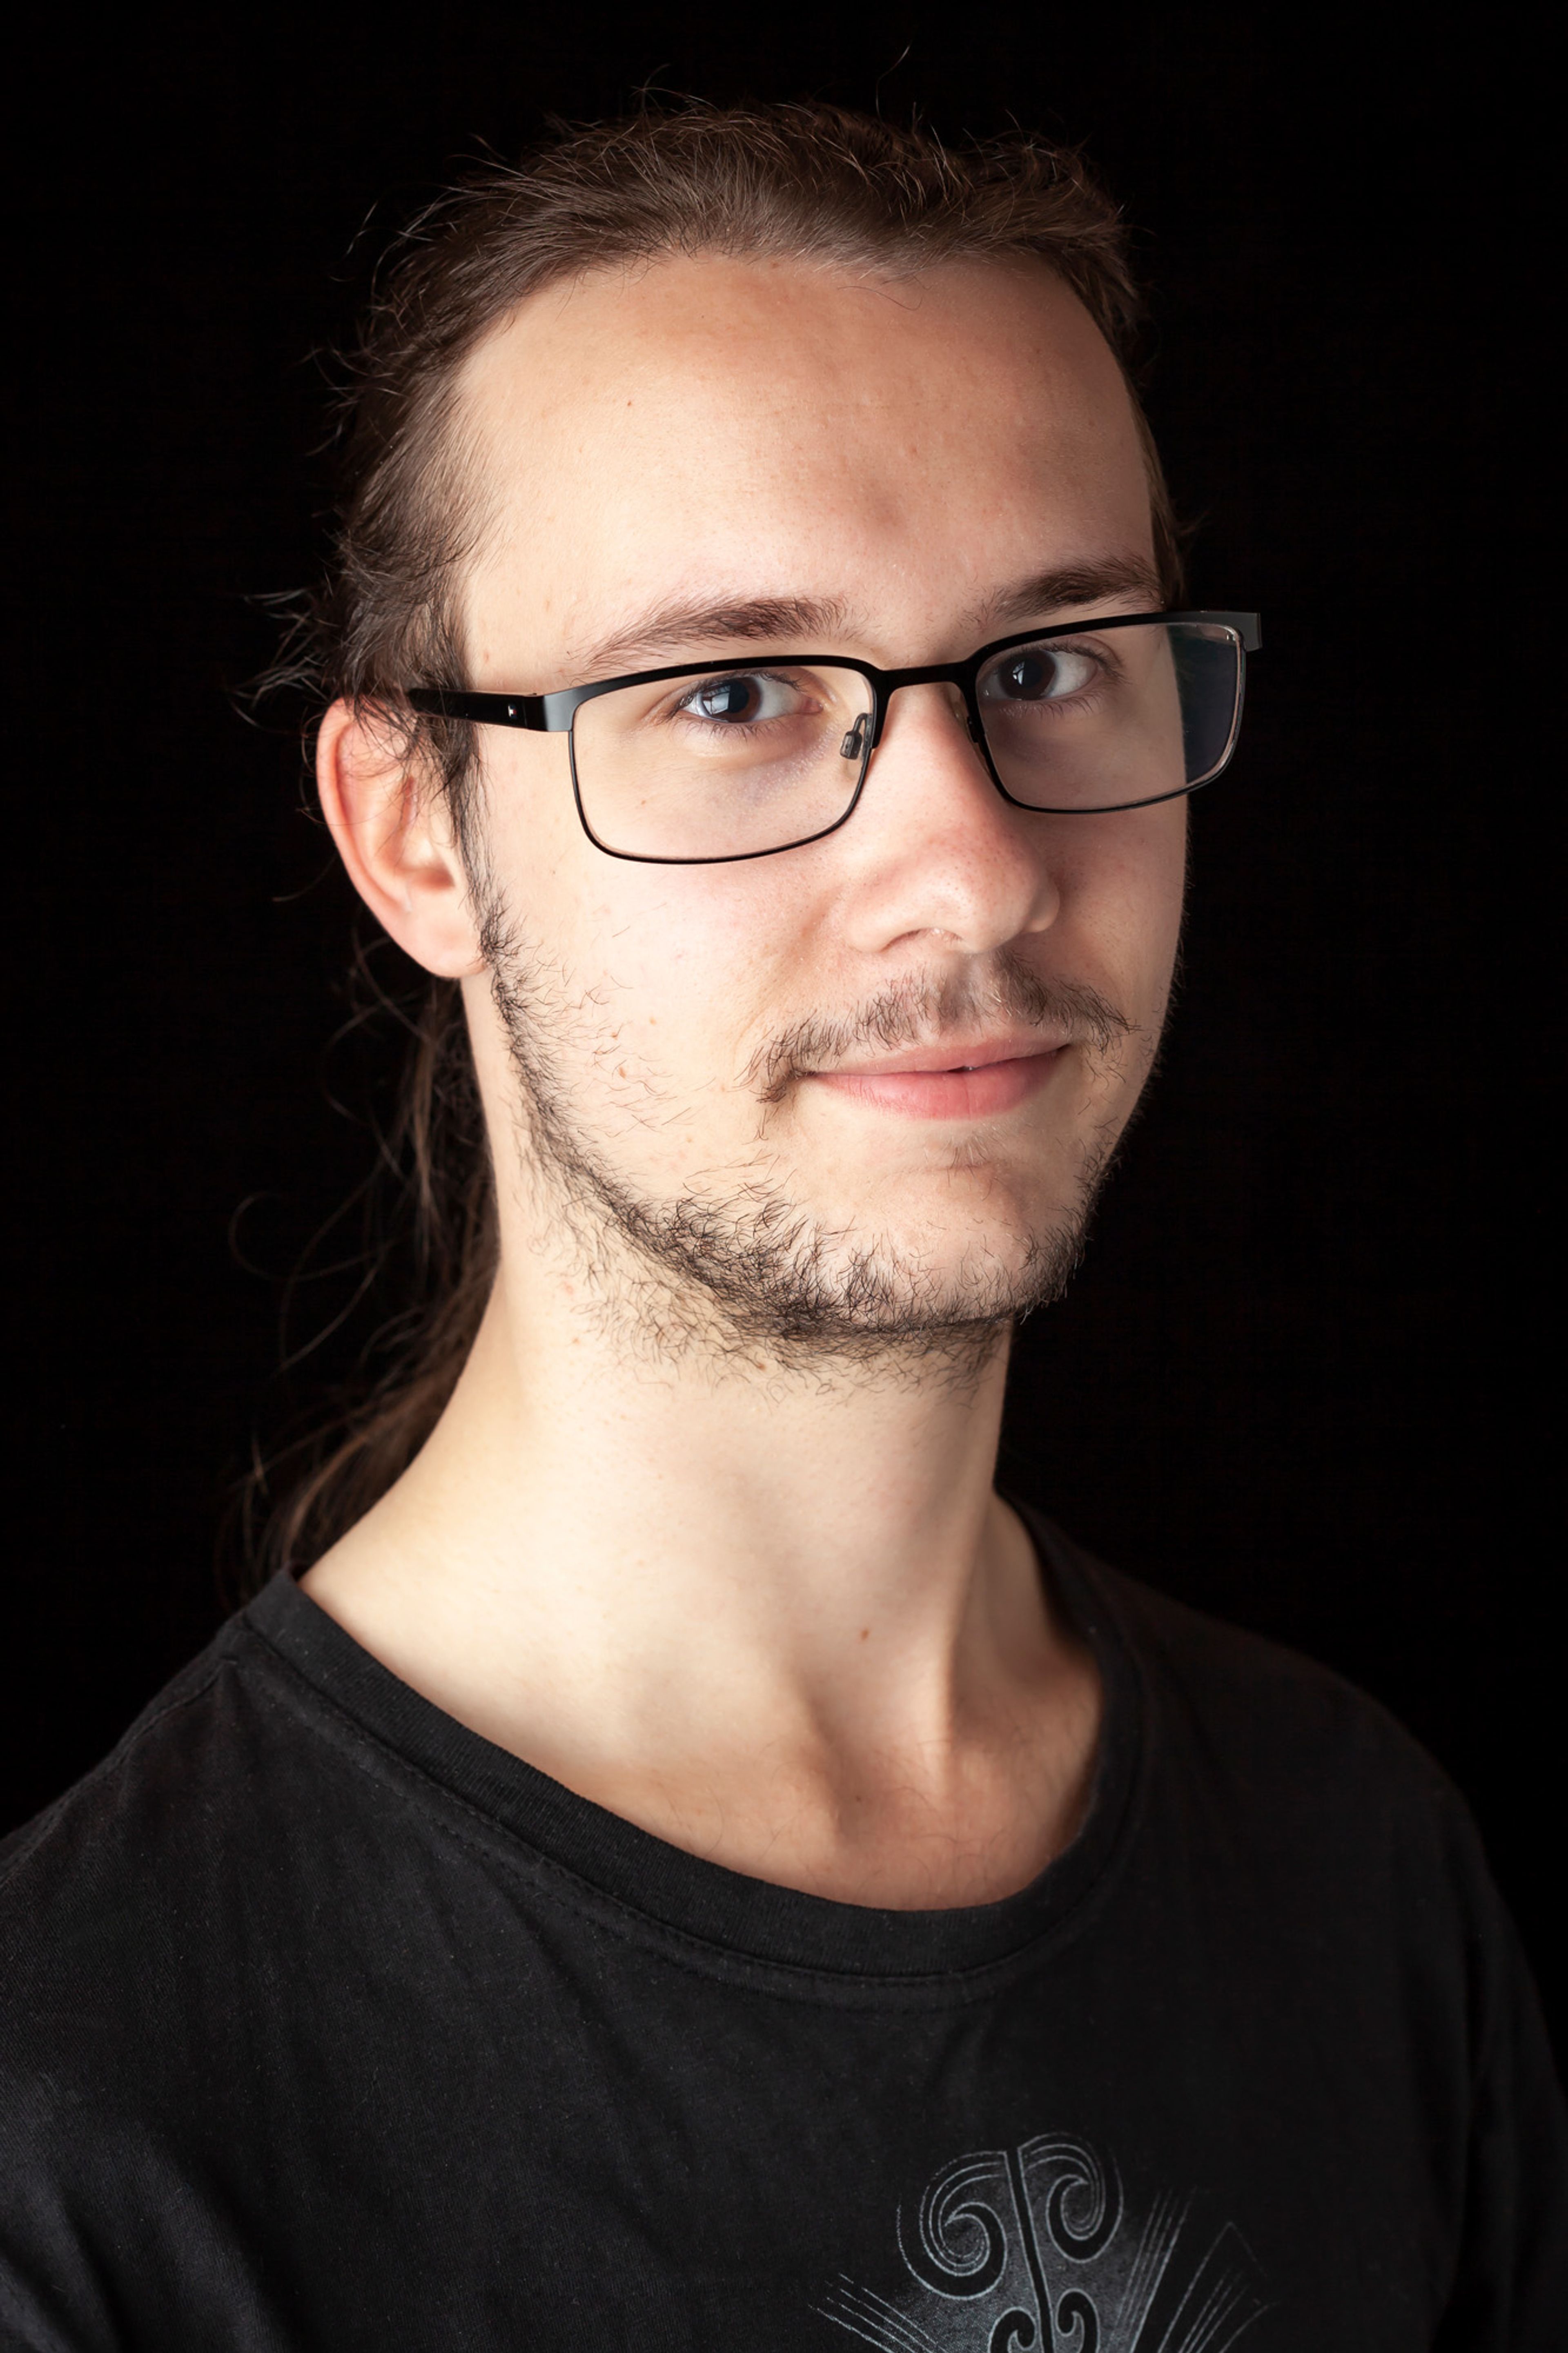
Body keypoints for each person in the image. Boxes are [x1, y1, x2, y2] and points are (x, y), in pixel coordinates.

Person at [0, 103, 1561, 2352]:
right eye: (730, 695)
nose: (976, 864)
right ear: (414, 831)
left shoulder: (1360, 1862)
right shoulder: (88, 2110)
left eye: (1049, 666)